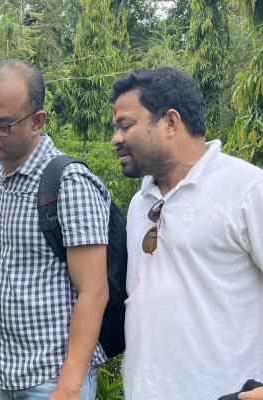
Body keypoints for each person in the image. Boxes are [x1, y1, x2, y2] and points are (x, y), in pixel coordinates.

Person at [110, 67, 263, 399]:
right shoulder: (140, 204)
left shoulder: (248, 190)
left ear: (170, 122)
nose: (116, 138)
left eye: (126, 125)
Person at [0, 59, 110, 400]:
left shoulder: (69, 182)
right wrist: (0, 365)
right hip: (12, 376)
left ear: (37, 121)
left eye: (3, 125)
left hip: (54, 379)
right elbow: (11, 279)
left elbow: (94, 291)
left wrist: (69, 386)